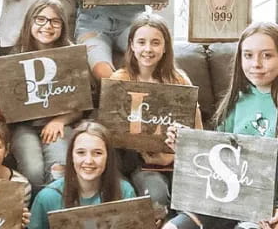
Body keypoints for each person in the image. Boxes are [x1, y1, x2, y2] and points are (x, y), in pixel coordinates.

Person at [164, 22, 278, 229]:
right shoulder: (238, 99)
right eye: (248, 55)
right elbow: (217, 153)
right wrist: (187, 145)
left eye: (267, 55)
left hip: (266, 208)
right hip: (224, 200)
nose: (256, 64)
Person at [110, 12, 203, 224]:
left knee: (196, 199)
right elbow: (109, 131)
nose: (148, 49)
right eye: (141, 42)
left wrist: (171, 157)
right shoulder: (119, 79)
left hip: (175, 160)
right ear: (132, 45)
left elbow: (197, 131)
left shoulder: (179, 80)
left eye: (155, 43)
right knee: (156, 197)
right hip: (135, 161)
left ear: (165, 47)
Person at [9, 0, 81, 197]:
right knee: (33, 172)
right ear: (30, 21)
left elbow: (82, 105)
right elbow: (5, 106)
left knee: (58, 170)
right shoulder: (13, 57)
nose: (47, 26)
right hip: (24, 127)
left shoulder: (72, 56)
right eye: (40, 19)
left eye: (55, 21)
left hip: (59, 124)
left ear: (63, 25)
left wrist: (60, 119)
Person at [29, 121, 136, 229]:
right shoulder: (48, 197)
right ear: (71, 156)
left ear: (108, 157)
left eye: (97, 153)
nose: (89, 161)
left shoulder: (125, 192)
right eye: (81, 153)